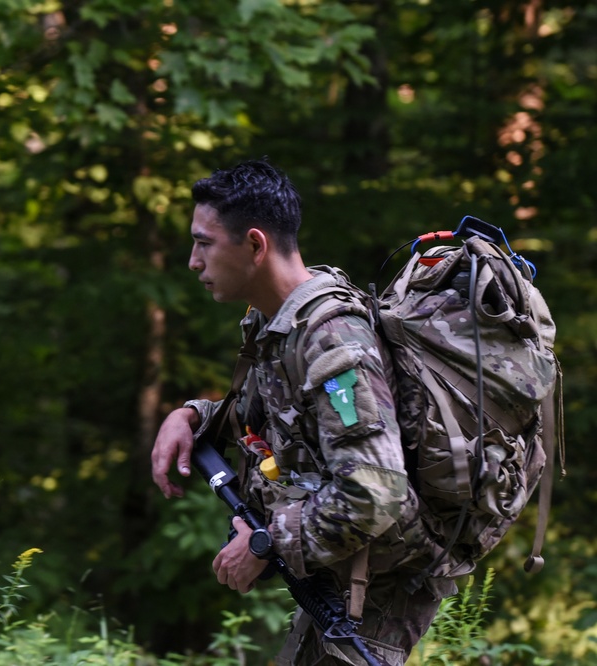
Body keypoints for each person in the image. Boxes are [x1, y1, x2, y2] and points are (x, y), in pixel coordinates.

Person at [150, 158, 457, 665]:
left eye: (203, 242)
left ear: (254, 245)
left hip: (378, 592)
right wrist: (188, 416)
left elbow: (376, 490)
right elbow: (262, 421)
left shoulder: (333, 339)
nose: (192, 261)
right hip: (341, 576)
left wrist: (266, 543)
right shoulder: (278, 325)